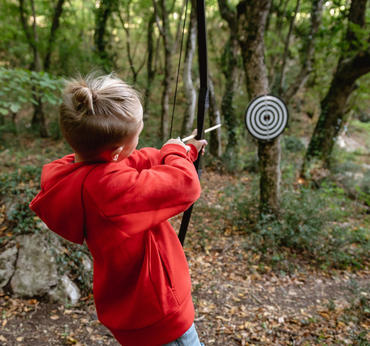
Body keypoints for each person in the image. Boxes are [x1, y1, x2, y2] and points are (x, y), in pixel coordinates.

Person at [29, 72, 207, 346]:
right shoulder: (110, 190)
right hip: (160, 315)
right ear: (115, 152)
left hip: (131, 310)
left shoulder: (72, 173)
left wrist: (180, 151)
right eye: (138, 134)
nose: (140, 140)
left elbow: (134, 161)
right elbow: (185, 185)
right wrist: (175, 155)